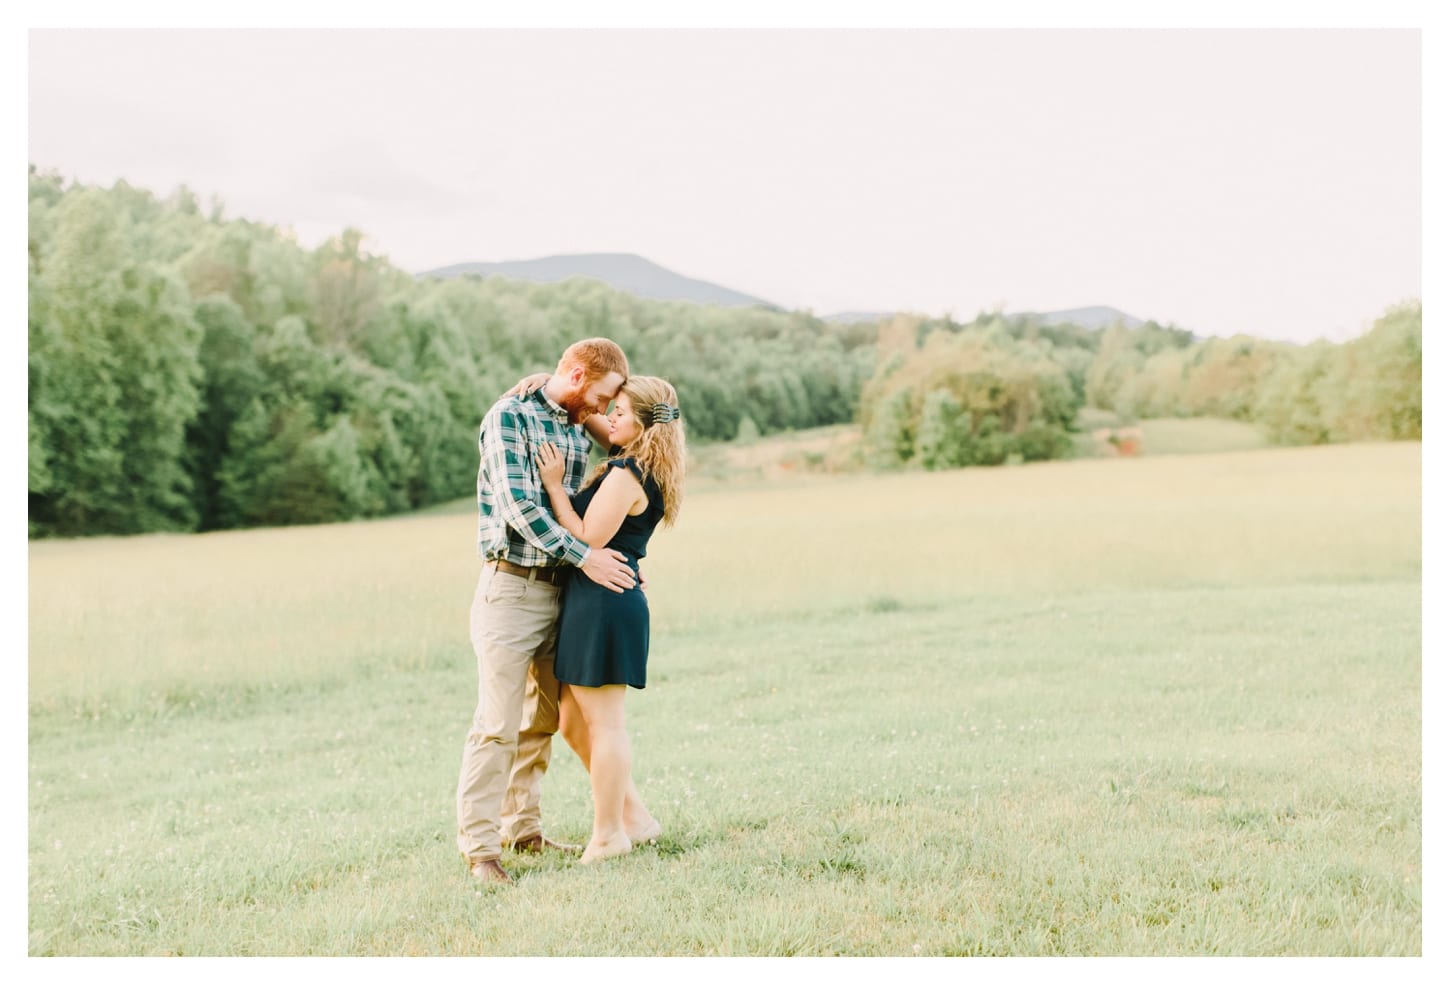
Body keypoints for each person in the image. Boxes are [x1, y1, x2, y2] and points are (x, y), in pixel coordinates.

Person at [456, 338, 638, 886]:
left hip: (561, 591)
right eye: (603, 397)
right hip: (511, 590)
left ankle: (523, 830)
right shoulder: (509, 415)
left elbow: (645, 422)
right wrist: (589, 557)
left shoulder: (574, 417)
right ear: (579, 374)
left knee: (541, 721)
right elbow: (520, 509)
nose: (604, 411)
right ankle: (482, 852)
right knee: (496, 725)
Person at [535, 376, 686, 864]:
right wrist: (549, 383)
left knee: (606, 728)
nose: (611, 418)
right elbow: (600, 419)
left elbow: (585, 537)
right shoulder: (642, 462)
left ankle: (608, 836)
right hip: (594, 600)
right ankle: (635, 819)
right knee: (573, 725)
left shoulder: (627, 474)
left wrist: (556, 487)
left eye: (621, 411)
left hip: (604, 603)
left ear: (642, 423)